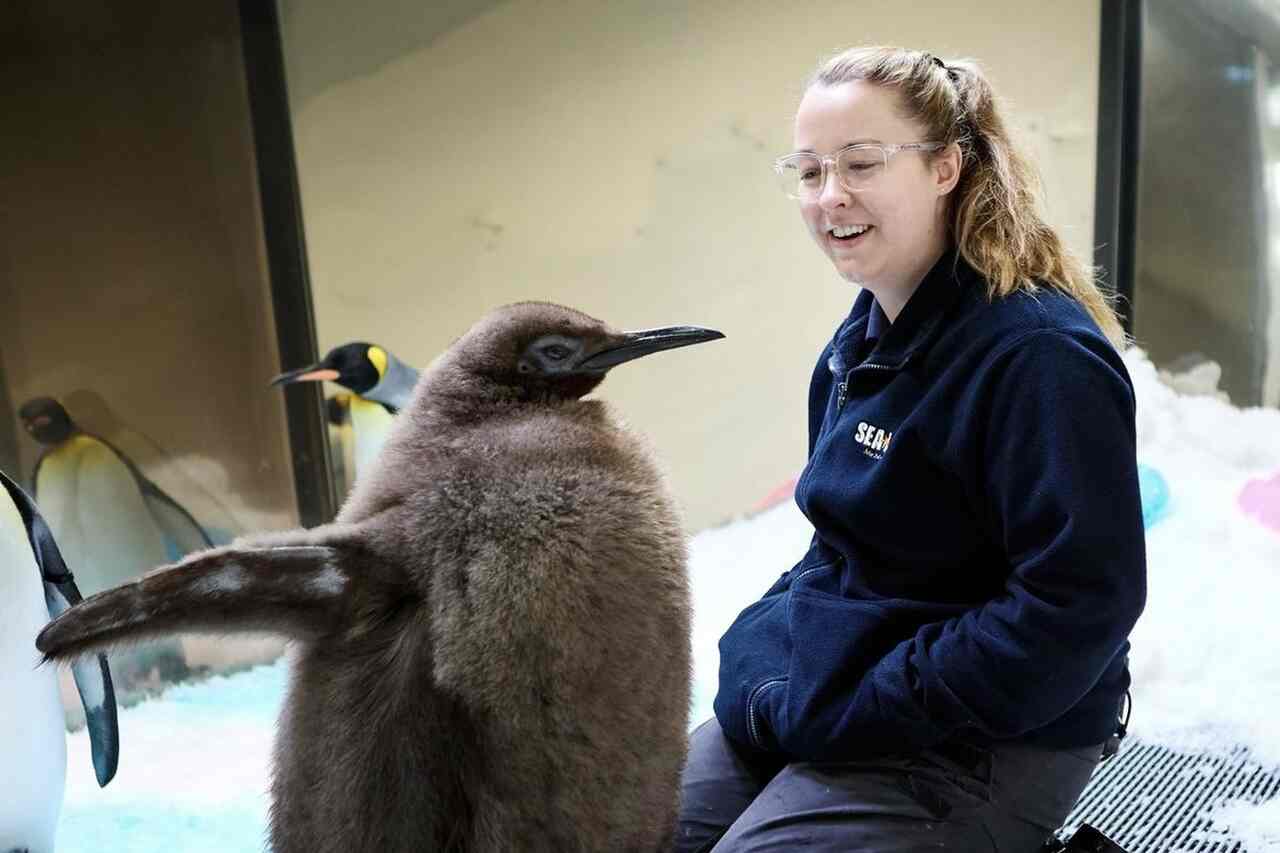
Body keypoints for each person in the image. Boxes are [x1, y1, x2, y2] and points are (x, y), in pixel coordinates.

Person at [676, 46, 1147, 852]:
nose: (831, 196)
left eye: (862, 163)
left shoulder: (1036, 356)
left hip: (997, 730)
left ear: (946, 168)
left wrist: (868, 704)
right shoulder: (857, 346)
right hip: (861, 687)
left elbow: (1076, 605)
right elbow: (841, 545)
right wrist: (768, 660)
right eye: (811, 171)